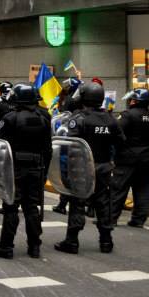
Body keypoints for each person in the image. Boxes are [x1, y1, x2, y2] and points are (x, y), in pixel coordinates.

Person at [55, 82, 125, 255]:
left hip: (82, 167)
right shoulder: (111, 119)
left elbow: (69, 143)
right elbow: (121, 142)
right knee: (103, 203)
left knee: (77, 202)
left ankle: (72, 241)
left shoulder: (79, 119)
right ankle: (106, 241)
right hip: (103, 168)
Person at [0, 83, 52, 259]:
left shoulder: (10, 118)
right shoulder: (44, 118)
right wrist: (44, 172)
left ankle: (6, 246)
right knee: (31, 207)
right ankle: (34, 247)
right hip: (36, 168)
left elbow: (0, 146)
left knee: (11, 206)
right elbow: (48, 149)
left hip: (14, 168)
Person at [112, 89, 149, 228]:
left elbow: (116, 132)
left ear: (134, 101)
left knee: (119, 187)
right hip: (147, 156)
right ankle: (138, 220)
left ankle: (110, 218)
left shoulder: (127, 115)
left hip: (127, 156)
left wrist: (119, 146)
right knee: (145, 188)